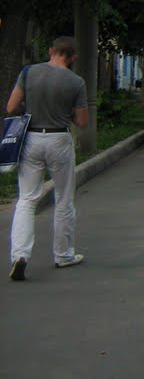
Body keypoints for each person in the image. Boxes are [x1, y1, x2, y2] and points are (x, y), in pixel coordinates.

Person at [7, 36, 89, 282]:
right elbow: (82, 122)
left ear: (51, 50)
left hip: (31, 138)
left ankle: (20, 256)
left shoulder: (29, 72)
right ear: (73, 57)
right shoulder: (76, 82)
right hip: (58, 140)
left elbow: (11, 107)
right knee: (63, 198)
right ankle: (63, 254)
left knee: (27, 199)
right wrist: (68, 113)